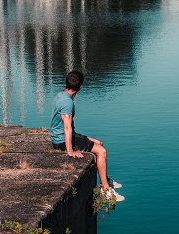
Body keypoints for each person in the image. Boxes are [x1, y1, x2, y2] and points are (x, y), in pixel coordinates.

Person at [49, 70, 123, 202]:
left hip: (62, 135)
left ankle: (105, 178)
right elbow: (67, 127)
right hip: (61, 140)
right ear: (80, 87)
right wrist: (70, 151)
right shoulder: (67, 103)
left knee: (98, 143)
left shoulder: (61, 95)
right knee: (102, 152)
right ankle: (105, 189)